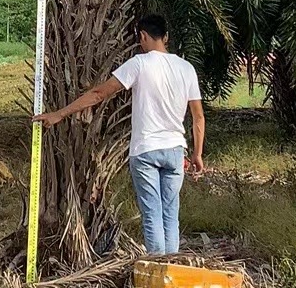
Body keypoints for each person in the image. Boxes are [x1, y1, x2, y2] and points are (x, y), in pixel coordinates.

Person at [34, 14, 204, 256]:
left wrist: (60, 114)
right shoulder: (186, 68)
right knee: (170, 214)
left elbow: (99, 94)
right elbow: (198, 116)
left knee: (152, 214)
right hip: (176, 150)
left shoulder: (139, 63)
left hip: (145, 151)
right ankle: (172, 270)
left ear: (143, 36)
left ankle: (158, 270)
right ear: (165, 37)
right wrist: (197, 154)